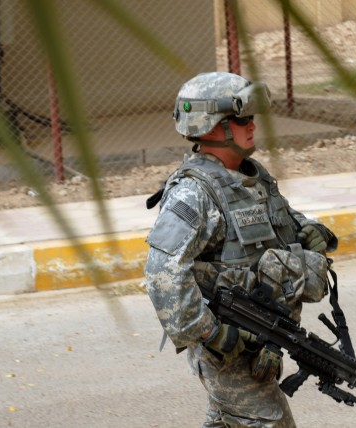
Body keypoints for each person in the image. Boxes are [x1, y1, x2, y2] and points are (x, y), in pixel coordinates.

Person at [144, 71, 338, 427]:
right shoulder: (194, 194)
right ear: (210, 125)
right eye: (241, 118)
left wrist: (310, 233)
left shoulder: (252, 176)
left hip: (263, 336)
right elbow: (162, 274)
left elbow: (281, 223)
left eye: (252, 117)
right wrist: (213, 334)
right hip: (228, 348)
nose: (252, 125)